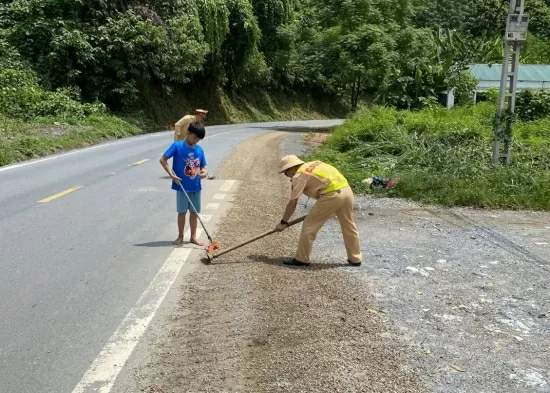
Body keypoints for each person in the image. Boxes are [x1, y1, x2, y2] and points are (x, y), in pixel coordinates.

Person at [275, 155, 362, 266]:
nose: (286, 176)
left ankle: (301, 258)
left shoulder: (299, 176)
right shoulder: (315, 163)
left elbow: (292, 203)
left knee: (309, 225)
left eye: (285, 172)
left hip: (332, 195)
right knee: (349, 225)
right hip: (346, 190)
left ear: (291, 168)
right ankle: (355, 258)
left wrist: (283, 222)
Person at [160, 122, 208, 246]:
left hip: (196, 187)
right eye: (194, 137)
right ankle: (180, 236)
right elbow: (163, 159)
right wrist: (171, 175)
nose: (196, 141)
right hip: (182, 187)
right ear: (188, 133)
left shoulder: (199, 149)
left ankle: (193, 237)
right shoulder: (177, 146)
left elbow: (203, 167)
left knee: (194, 213)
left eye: (198, 139)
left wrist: (204, 173)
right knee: (182, 212)